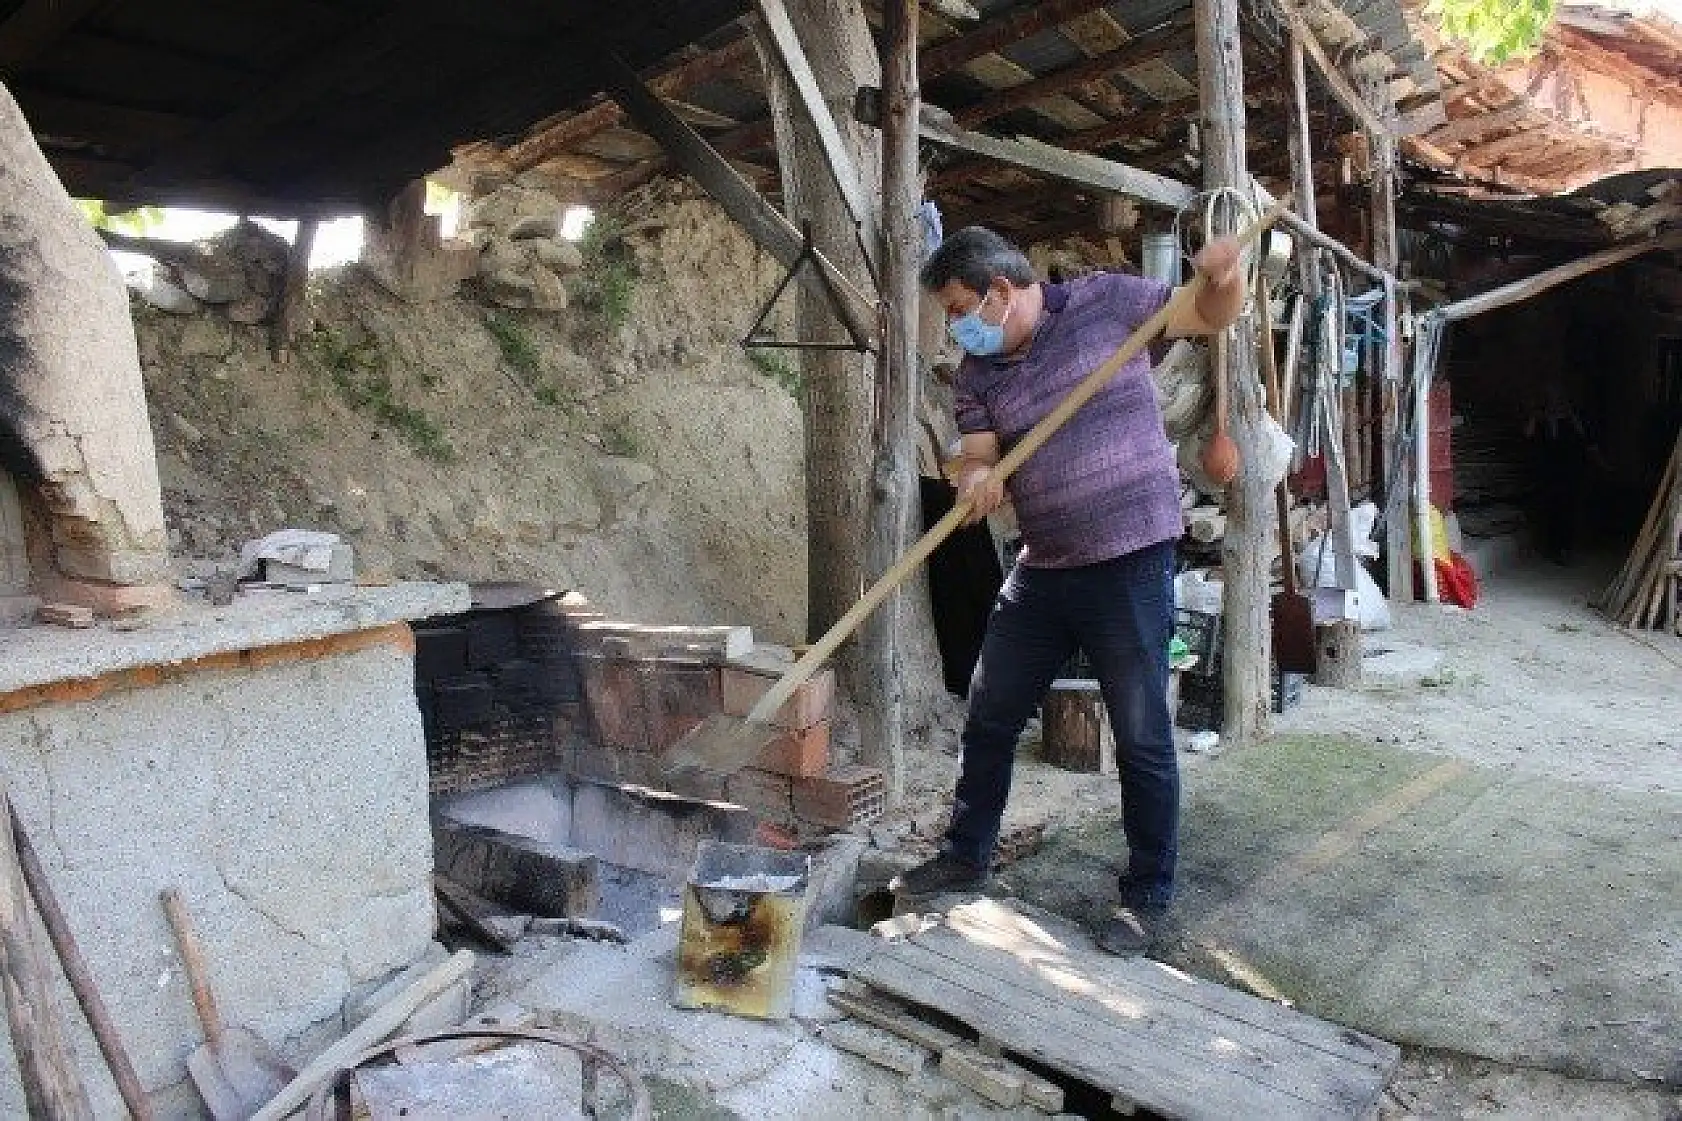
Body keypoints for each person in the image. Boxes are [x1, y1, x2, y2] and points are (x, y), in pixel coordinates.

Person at [890, 226, 1247, 956]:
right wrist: (977, 480)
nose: (957, 326)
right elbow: (979, 457)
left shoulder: (1105, 303)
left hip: (1131, 558)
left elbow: (1212, 316)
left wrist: (1222, 275)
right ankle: (967, 853)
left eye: (960, 307)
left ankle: (1146, 897)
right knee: (989, 712)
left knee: (1142, 735)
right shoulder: (978, 374)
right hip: (1045, 564)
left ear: (999, 290)